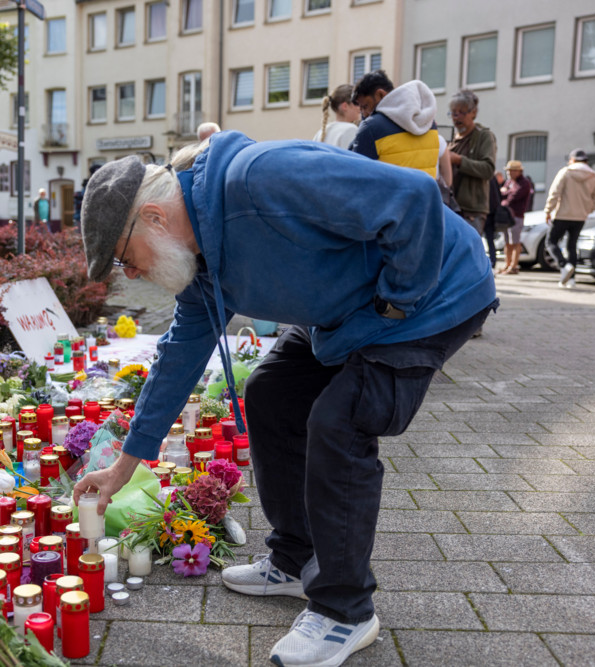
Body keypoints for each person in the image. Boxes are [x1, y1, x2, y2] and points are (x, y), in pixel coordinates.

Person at [73, 132, 497, 667]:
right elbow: (176, 362)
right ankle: (295, 560)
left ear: (154, 218)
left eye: (123, 258)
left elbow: (413, 196)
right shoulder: (200, 264)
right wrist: (121, 468)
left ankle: (346, 611)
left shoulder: (261, 178)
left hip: (433, 294)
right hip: (352, 314)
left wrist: (394, 303)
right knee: (270, 392)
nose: (130, 274)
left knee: (340, 423)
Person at [349, 73, 444, 180]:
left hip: (389, 196)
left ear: (380, 94)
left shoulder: (371, 127)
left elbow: (358, 174)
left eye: (365, 106)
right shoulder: (429, 123)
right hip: (425, 195)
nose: (364, 114)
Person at [544, 149, 595, 288]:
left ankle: (564, 265)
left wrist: (548, 210)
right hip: (580, 217)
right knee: (572, 246)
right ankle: (572, 280)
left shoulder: (566, 172)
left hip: (562, 215)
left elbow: (555, 192)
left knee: (551, 241)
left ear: (572, 160)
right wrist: (587, 210)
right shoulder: (593, 176)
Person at [448, 90, 497, 241]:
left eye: (462, 113)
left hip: (471, 211)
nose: (456, 118)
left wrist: (458, 160)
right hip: (450, 207)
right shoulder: (450, 139)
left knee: (466, 254)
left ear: (473, 113)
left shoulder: (484, 136)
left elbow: (488, 169)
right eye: (453, 113)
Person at [497, 160, 533, 275]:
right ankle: (507, 264)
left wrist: (505, 193)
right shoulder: (509, 182)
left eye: (511, 170)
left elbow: (514, 196)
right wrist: (506, 192)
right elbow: (501, 193)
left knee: (515, 242)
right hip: (507, 216)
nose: (509, 173)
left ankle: (514, 266)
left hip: (516, 216)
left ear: (518, 171)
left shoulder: (524, 183)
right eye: (508, 170)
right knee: (507, 242)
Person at [313, 84, 359, 149]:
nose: (360, 107)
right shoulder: (351, 129)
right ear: (345, 106)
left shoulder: (320, 132)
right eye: (357, 103)